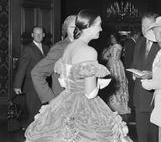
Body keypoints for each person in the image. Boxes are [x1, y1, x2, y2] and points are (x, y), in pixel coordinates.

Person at [25, 9, 132, 142]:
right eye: (98, 24)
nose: (100, 28)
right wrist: (100, 83)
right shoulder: (88, 51)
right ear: (88, 27)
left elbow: (65, 80)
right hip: (85, 106)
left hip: (66, 100)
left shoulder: (70, 47)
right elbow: (90, 93)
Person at [31, 15, 76, 105]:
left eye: (79, 26)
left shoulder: (84, 47)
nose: (76, 30)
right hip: (64, 102)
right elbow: (36, 73)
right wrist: (51, 99)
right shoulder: (60, 48)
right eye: (72, 27)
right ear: (66, 29)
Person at [131, 12, 160, 142]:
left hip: (154, 98)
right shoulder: (140, 42)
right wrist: (133, 72)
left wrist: (152, 74)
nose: (144, 29)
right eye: (143, 26)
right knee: (141, 136)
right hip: (139, 97)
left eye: (148, 26)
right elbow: (135, 62)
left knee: (154, 137)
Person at [13, 26, 49, 128]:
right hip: (31, 85)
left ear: (43, 35)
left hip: (43, 84)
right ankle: (30, 133)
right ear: (32, 35)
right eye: (36, 33)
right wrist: (17, 85)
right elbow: (22, 68)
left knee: (41, 110)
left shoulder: (46, 48)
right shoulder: (28, 49)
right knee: (34, 110)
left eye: (40, 33)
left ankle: (37, 132)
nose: (38, 35)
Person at [102, 32, 131, 116]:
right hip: (116, 65)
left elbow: (108, 57)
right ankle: (115, 104)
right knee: (116, 84)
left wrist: (107, 52)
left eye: (113, 37)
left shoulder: (116, 46)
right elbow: (105, 56)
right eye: (111, 38)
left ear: (116, 38)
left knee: (117, 83)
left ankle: (117, 104)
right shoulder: (114, 46)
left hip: (115, 66)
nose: (112, 39)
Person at [123, 28, 141, 111]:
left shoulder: (130, 42)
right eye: (138, 35)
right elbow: (129, 58)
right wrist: (130, 69)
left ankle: (132, 103)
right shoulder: (130, 43)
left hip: (130, 68)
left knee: (131, 86)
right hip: (130, 68)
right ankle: (131, 104)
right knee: (131, 86)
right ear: (136, 35)